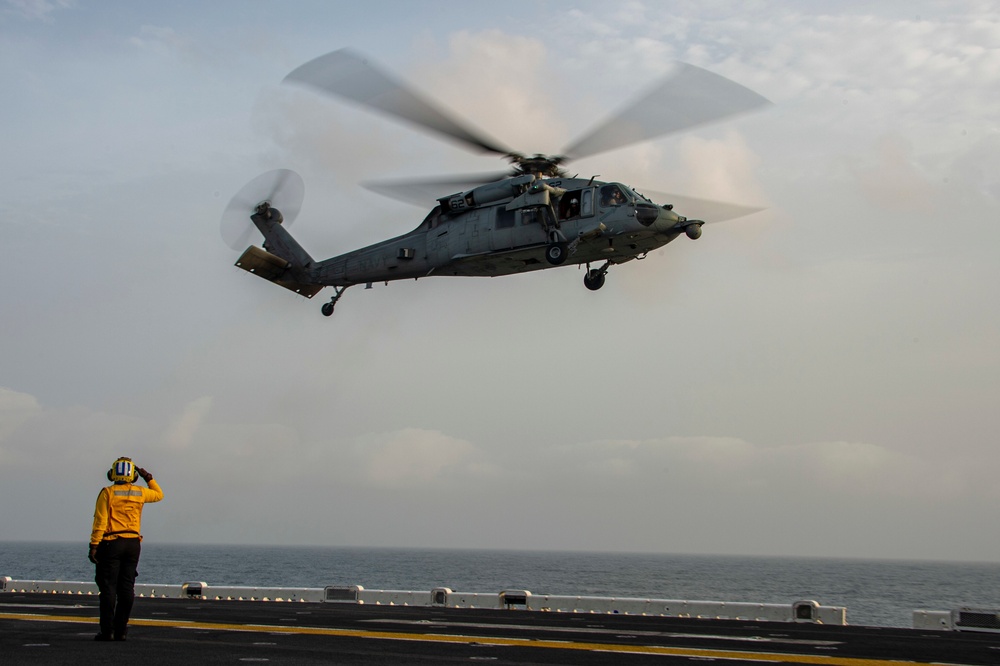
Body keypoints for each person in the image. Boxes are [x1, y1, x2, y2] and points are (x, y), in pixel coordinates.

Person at [88, 457, 164, 642]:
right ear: (134, 476)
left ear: (112, 474)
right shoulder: (140, 492)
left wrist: (94, 545)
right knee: (127, 588)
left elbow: (100, 521)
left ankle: (108, 631)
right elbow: (159, 494)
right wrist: (148, 476)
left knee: (108, 588)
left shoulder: (107, 493)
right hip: (133, 544)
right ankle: (121, 630)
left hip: (111, 542)